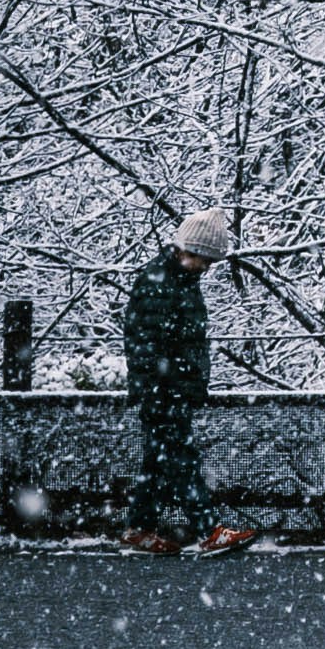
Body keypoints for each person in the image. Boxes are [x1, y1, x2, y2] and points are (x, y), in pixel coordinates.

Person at [123, 209, 230, 551]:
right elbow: (150, 344)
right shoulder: (164, 285)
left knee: (159, 461)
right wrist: (166, 385)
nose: (206, 267)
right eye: (204, 259)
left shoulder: (174, 281)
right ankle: (208, 530)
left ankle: (139, 529)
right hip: (165, 391)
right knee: (181, 460)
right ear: (188, 250)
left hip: (166, 389)